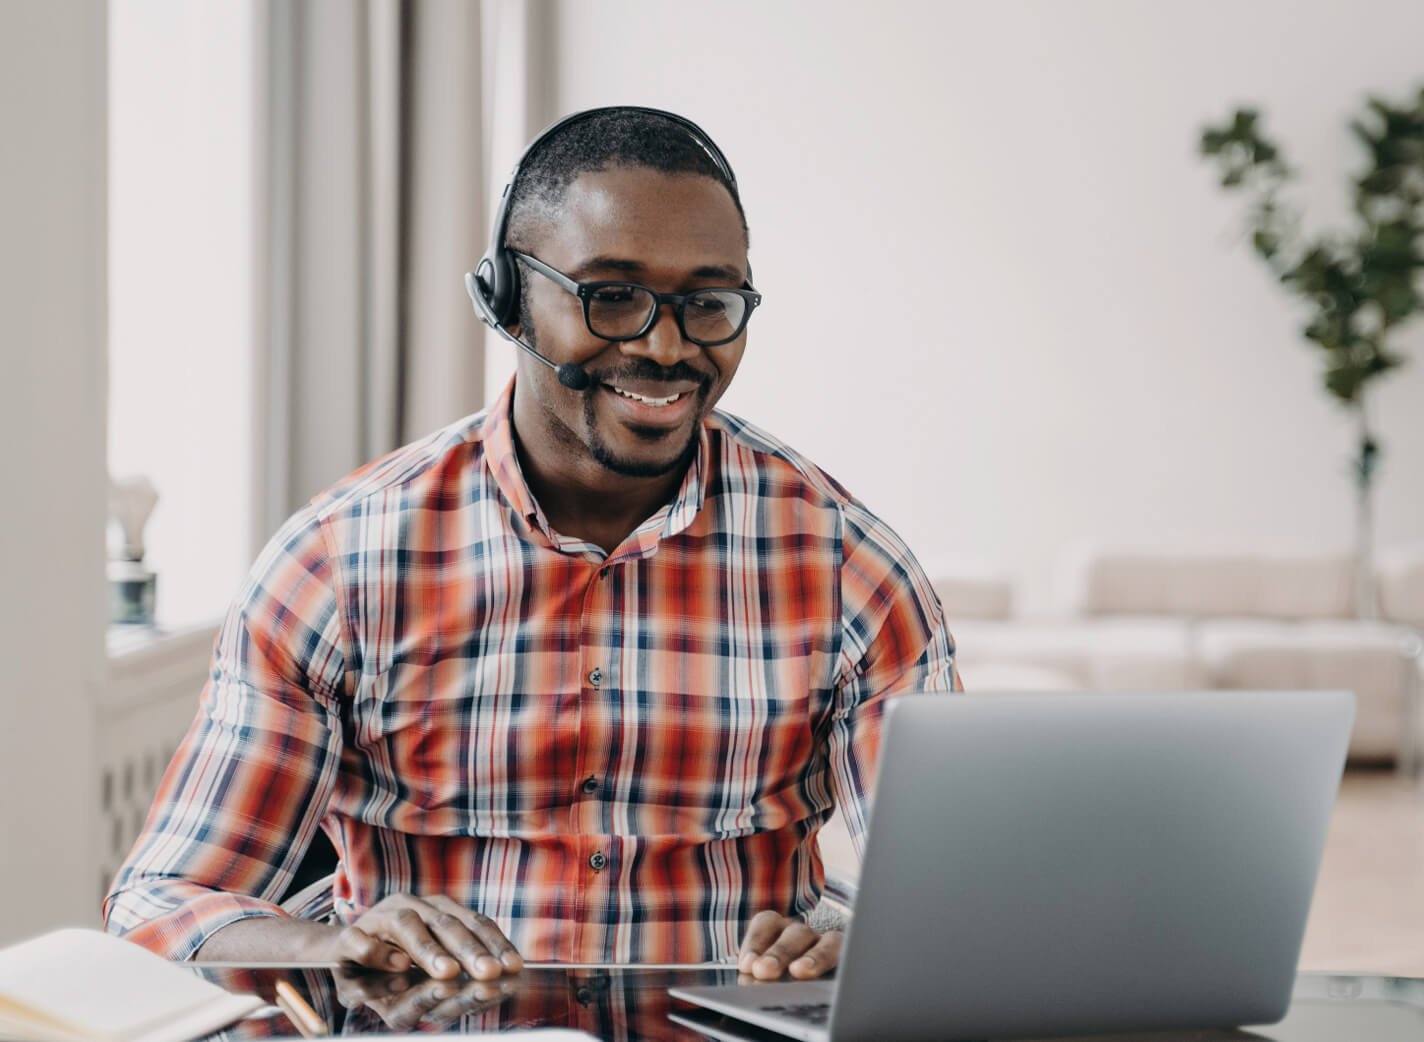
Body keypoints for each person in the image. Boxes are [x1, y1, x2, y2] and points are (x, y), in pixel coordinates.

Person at [104, 107, 959, 983]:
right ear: (506, 299)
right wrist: (323, 943)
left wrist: (874, 946)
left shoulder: (848, 568)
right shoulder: (337, 565)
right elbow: (163, 906)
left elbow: (961, 910)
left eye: (706, 303)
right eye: (611, 296)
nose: (664, 347)